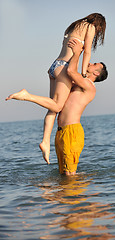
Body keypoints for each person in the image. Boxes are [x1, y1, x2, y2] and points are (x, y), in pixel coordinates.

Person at [5, 40, 108, 175]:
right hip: (61, 132)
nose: (89, 63)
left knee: (69, 175)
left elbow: (70, 71)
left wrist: (77, 53)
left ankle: (74, 196)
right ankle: (61, 196)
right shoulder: (79, 83)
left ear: (96, 73)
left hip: (72, 132)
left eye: (94, 65)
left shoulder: (89, 86)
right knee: (63, 174)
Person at [40, 13, 106, 164]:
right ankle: (26, 95)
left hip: (54, 66)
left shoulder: (74, 26)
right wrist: (83, 74)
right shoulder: (90, 27)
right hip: (63, 68)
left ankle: (45, 141)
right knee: (56, 105)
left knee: (53, 108)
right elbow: (87, 52)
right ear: (99, 25)